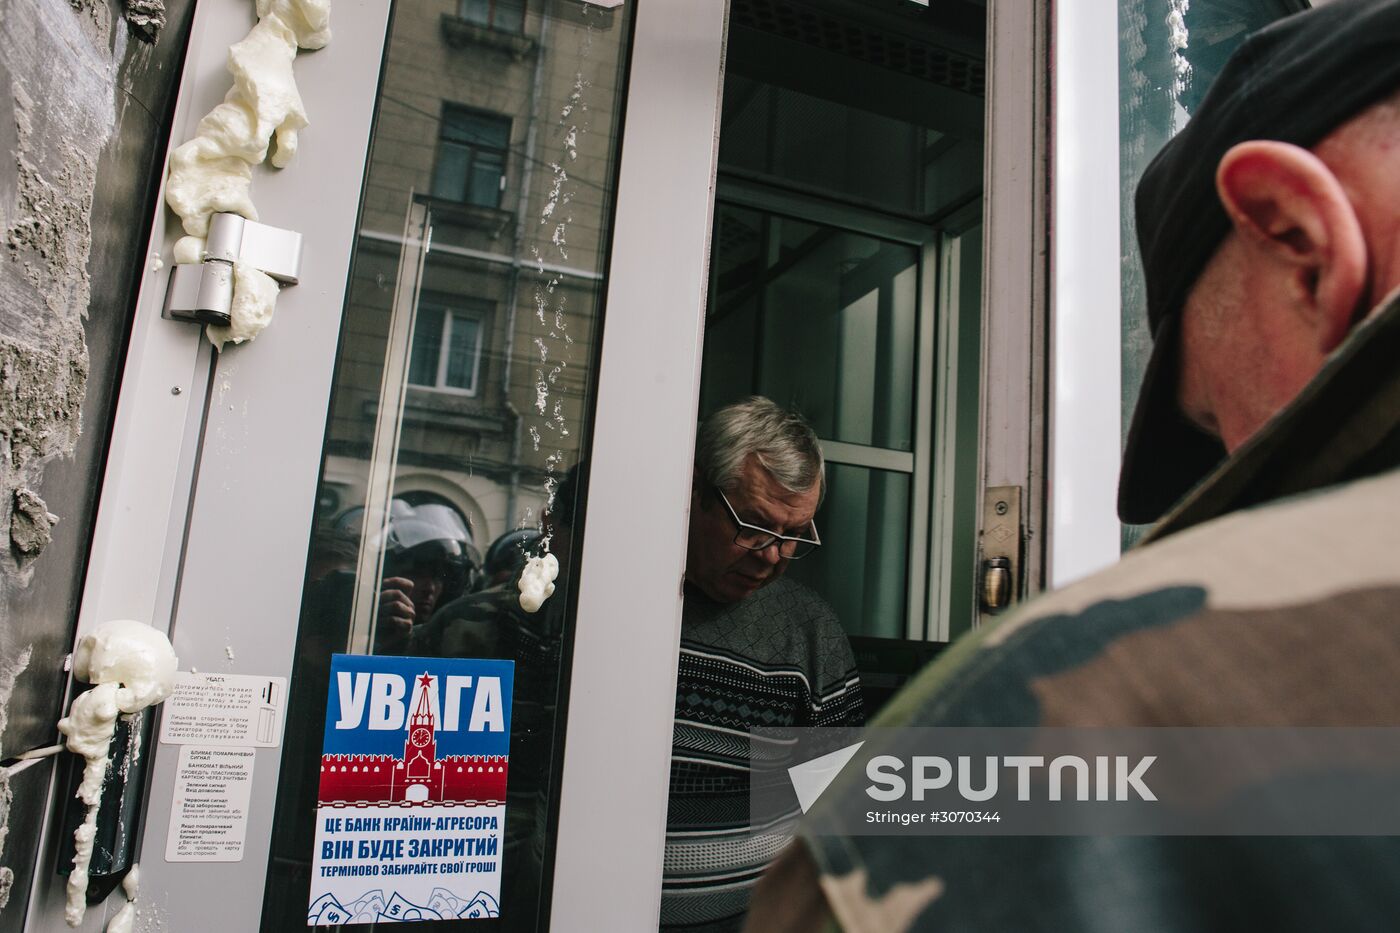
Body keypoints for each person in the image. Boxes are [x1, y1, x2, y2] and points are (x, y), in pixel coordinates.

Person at [745, 1, 1400, 930]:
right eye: (751, 523)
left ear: (1299, 247)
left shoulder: (1059, 730)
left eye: (1213, 416)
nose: (1233, 470)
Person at [663, 397, 863, 932]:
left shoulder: (810, 633)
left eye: (794, 534)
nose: (772, 555)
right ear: (695, 491)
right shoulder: (606, 593)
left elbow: (837, 817)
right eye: (753, 526)